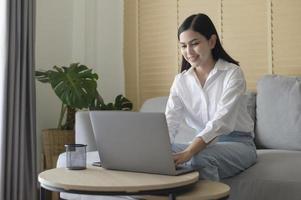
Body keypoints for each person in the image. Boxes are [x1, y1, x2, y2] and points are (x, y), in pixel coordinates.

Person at [165, 13, 257, 181]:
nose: (188, 51)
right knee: (157, 155)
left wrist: (190, 151)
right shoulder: (181, 81)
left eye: (195, 43)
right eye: (183, 46)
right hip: (203, 145)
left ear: (212, 41)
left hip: (239, 144)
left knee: (198, 158)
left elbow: (220, 122)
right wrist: (160, 149)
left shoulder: (232, 74)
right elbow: (170, 121)